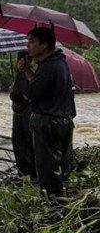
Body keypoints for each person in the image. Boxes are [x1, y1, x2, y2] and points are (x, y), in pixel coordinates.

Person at [19, 27, 76, 197]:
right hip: (63, 120)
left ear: (44, 45)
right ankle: (60, 202)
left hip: (48, 123)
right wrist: (27, 70)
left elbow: (28, 94)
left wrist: (22, 75)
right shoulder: (58, 63)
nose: (28, 45)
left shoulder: (49, 67)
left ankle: (54, 207)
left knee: (47, 170)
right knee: (62, 168)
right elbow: (40, 85)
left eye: (32, 42)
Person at [9, 51, 36, 178]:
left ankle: (26, 176)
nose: (17, 62)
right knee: (27, 146)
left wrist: (12, 92)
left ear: (24, 61)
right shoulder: (27, 74)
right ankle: (29, 175)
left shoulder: (24, 75)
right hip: (24, 113)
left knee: (22, 146)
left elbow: (19, 96)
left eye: (19, 59)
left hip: (24, 115)